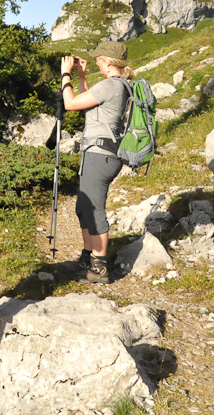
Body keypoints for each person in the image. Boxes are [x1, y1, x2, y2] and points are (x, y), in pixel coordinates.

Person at [60, 41, 133, 284]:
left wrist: (66, 74)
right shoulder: (118, 85)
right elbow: (88, 102)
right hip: (101, 153)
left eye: (98, 58)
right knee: (84, 207)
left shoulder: (110, 85)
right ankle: (88, 257)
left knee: (94, 209)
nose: (96, 62)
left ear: (108, 62)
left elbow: (71, 104)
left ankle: (100, 267)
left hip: (100, 155)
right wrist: (82, 76)